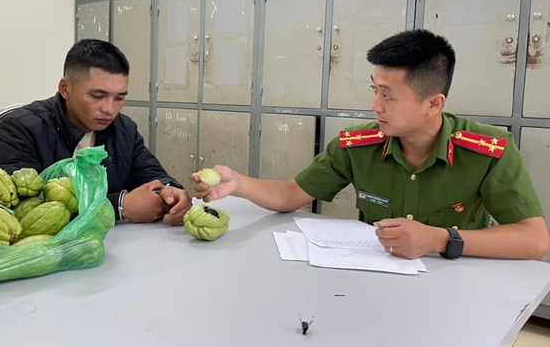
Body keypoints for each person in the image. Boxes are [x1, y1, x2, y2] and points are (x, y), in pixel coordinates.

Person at [193, 29, 550, 261]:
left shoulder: (488, 150)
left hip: (457, 281)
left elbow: (535, 240)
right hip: (375, 281)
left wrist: (440, 239)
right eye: (374, 90)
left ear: (433, 104)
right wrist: (238, 182)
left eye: (388, 95)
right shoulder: (357, 145)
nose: (375, 105)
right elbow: (291, 194)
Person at [0, 39, 191, 225]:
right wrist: (118, 206)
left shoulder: (124, 129)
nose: (109, 109)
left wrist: (170, 193)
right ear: (65, 88)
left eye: (119, 98)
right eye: (98, 96)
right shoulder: (21, 128)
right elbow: (23, 209)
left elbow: (151, 175)